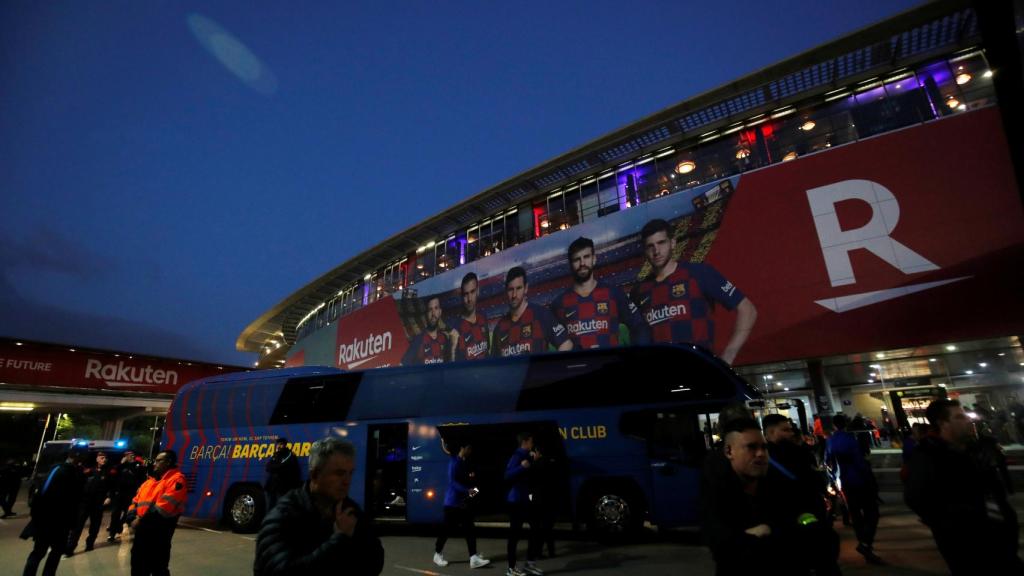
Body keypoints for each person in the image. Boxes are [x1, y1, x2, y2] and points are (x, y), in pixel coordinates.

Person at [701, 418, 838, 576]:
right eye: (751, 447)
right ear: (729, 451)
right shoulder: (719, 496)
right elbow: (726, 551)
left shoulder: (785, 489)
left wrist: (766, 533)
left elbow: (826, 542)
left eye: (764, 447)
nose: (760, 454)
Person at [905, 399, 1023, 574]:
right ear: (943, 423)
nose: (968, 420)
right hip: (968, 548)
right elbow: (916, 498)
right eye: (960, 417)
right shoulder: (928, 456)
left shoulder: (973, 449)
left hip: (1000, 542)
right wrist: (953, 525)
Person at [629, 218, 756, 365]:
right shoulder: (638, 291)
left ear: (673, 243)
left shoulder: (699, 274)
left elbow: (748, 310)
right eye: (650, 246)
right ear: (645, 251)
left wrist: (729, 355)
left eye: (661, 243)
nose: (656, 251)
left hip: (700, 372)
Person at [254, 437, 383, 576]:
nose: (347, 481)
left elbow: (375, 560)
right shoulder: (283, 516)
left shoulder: (349, 510)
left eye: (350, 473)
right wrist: (339, 540)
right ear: (315, 474)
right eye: (339, 473)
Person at [549, 236, 650, 349]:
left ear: (594, 259)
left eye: (586, 257)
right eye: (577, 259)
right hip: (579, 366)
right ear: (570, 264)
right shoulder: (559, 303)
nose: (582, 263)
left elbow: (639, 325)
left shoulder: (613, 293)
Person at [827, 413, 882, 564]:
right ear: (845, 424)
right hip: (859, 480)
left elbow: (828, 462)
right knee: (872, 512)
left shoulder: (830, 441)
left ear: (833, 425)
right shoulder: (851, 439)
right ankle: (865, 544)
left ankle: (865, 547)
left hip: (843, 482)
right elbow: (860, 462)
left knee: (855, 514)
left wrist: (833, 480)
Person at [22, 447, 84, 576]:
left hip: (46, 520)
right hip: (58, 523)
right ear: (78, 457)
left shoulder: (55, 469)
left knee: (38, 553)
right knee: (52, 554)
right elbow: (75, 501)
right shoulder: (71, 473)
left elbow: (41, 494)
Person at [126, 450, 187, 576]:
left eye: (159, 461)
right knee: (137, 568)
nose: (155, 463)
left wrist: (139, 521)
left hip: (159, 536)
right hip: (141, 535)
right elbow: (134, 501)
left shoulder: (177, 480)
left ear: (168, 462)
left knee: (158, 569)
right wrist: (131, 518)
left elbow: (162, 509)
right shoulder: (148, 482)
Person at [492, 267, 572, 358]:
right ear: (506, 290)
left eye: (518, 288)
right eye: (511, 289)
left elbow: (566, 344)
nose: (514, 295)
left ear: (526, 288)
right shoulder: (499, 328)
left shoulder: (542, 315)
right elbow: (495, 365)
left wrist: (551, 369)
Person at [433, 443, 489, 569]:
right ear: (462, 448)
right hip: (452, 503)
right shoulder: (454, 462)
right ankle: (437, 554)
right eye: (468, 448)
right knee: (446, 530)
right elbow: (452, 482)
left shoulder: (464, 462)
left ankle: (473, 558)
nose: (470, 450)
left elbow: (468, 483)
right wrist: (468, 491)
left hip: (462, 503)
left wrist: (474, 491)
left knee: (470, 529)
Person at [505, 432, 543, 576]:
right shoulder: (517, 456)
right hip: (515, 502)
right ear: (525, 442)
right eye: (531, 442)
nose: (532, 444)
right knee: (514, 535)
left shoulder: (528, 455)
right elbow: (507, 475)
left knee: (535, 529)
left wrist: (534, 461)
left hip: (526, 500)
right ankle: (511, 569)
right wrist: (522, 466)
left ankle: (530, 564)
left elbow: (529, 476)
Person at [67, 451, 113, 555]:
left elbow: (112, 486)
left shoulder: (108, 472)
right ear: (97, 459)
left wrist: (109, 497)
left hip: (98, 504)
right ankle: (70, 548)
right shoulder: (88, 471)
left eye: (105, 458)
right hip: (85, 503)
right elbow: (79, 484)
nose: (104, 459)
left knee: (95, 526)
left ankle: (90, 544)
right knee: (77, 526)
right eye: (101, 457)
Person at [448, 272, 491, 361]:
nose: (469, 298)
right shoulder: (456, 327)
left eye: (472, 292)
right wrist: (452, 349)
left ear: (478, 291)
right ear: (462, 296)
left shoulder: (483, 317)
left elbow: (487, 350)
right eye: (466, 294)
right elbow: (451, 367)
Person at [402, 295, 452, 365]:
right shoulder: (418, 340)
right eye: (430, 309)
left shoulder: (445, 339)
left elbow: (449, 366)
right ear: (426, 314)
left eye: (436, 308)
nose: (433, 313)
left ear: (440, 312)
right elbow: (403, 365)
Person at [108, 449, 145, 543]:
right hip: (119, 494)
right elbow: (113, 477)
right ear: (125, 456)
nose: (131, 456)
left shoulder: (138, 466)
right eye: (128, 455)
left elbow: (142, 479)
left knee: (127, 514)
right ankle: (112, 534)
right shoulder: (120, 466)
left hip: (131, 494)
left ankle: (119, 527)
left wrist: (139, 490)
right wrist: (121, 464)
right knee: (115, 514)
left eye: (132, 454)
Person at [265, 438, 302, 510]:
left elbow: (283, 467)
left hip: (282, 488)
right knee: (269, 508)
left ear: (285, 445)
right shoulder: (275, 455)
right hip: (271, 487)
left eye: (281, 444)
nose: (278, 446)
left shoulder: (289, 455)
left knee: (281, 508)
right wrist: (276, 467)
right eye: (278, 444)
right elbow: (268, 467)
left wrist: (275, 468)